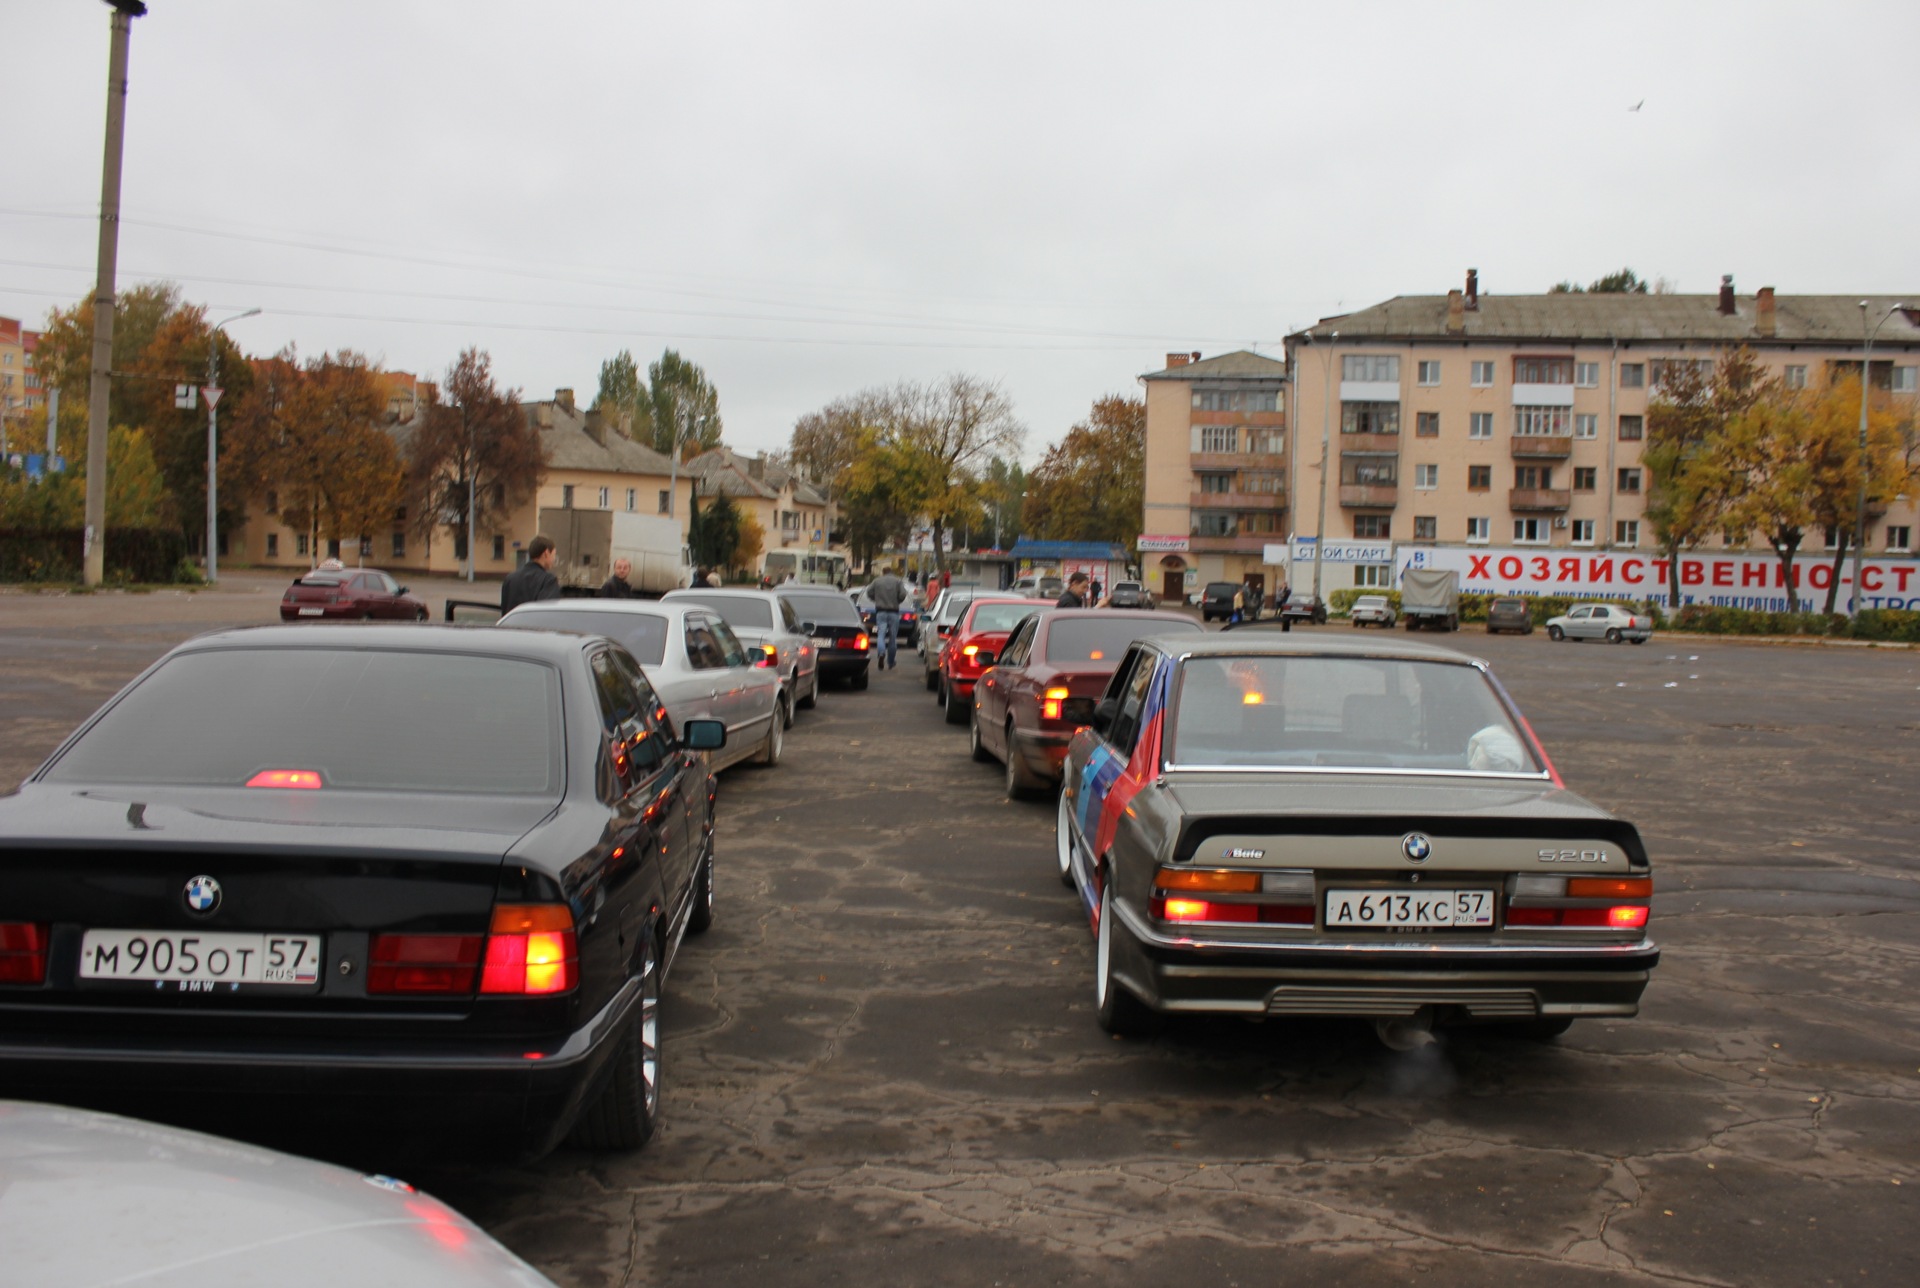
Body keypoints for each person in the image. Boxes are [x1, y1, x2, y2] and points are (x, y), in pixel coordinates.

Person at [501, 535, 561, 612]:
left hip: (512, 623)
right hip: (533, 624)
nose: (554, 559)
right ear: (546, 553)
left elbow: (504, 611)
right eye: (554, 554)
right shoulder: (548, 580)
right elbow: (547, 612)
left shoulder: (510, 578)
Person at [867, 563, 909, 669]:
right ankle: (890, 662)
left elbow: (869, 592)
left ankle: (881, 653)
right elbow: (903, 594)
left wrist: (875, 599)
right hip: (894, 611)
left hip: (881, 611)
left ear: (883, 572)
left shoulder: (877, 581)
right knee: (892, 638)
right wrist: (898, 601)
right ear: (891, 572)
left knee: (881, 634)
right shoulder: (897, 581)